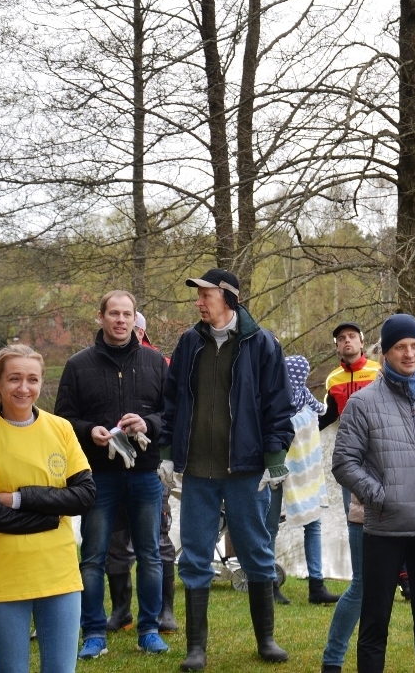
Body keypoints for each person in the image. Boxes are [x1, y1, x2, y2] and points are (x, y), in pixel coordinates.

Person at [159, 268, 295, 669]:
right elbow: (171, 401)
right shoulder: (188, 343)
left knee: (256, 552)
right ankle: (196, 649)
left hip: (248, 470)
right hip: (198, 471)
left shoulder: (262, 343)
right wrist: (167, 451)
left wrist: (275, 459)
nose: (199, 303)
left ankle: (266, 640)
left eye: (206, 296)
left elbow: (278, 406)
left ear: (229, 298)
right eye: (198, 296)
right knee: (196, 555)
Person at [332, 314, 415, 673]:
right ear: (386, 352)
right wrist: (381, 496)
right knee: (375, 625)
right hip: (385, 531)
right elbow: (344, 462)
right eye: (399, 347)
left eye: (414, 346)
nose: (408, 354)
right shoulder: (363, 403)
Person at [0, 345, 96, 673]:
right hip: (4, 577)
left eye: (32, 379)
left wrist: (19, 498)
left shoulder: (60, 428)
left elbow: (85, 496)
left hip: (59, 574)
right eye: (15, 379)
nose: (24, 388)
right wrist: (53, 516)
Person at [54, 290, 171, 658]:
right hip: (97, 474)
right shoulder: (78, 364)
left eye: (127, 315)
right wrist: (89, 431)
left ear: (135, 319)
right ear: (100, 317)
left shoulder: (155, 363)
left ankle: (149, 629)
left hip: (145, 473)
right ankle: (93, 633)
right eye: (114, 314)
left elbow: (173, 416)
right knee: (93, 556)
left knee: (150, 555)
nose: (121, 321)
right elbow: (62, 420)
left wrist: (148, 421)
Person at [102, 310, 178, 635]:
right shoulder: (98, 361)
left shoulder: (162, 364)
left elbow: (175, 414)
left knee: (158, 539)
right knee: (116, 542)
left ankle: (165, 611)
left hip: (151, 465)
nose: (124, 328)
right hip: (108, 465)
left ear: (140, 329)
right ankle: (121, 611)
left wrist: (169, 455)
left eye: (131, 324)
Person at [264, 355, 340, 605]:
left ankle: (307, 585)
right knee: (276, 525)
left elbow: (322, 415)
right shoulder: (285, 398)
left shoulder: (282, 398)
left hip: (294, 469)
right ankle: (277, 583)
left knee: (286, 525)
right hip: (285, 468)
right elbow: (323, 411)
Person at [318, 322, 381, 431]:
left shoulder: (379, 371)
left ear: (362, 343)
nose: (347, 340)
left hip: (377, 438)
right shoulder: (332, 379)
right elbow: (330, 415)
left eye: (352, 336)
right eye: (341, 338)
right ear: (337, 347)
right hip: (348, 440)